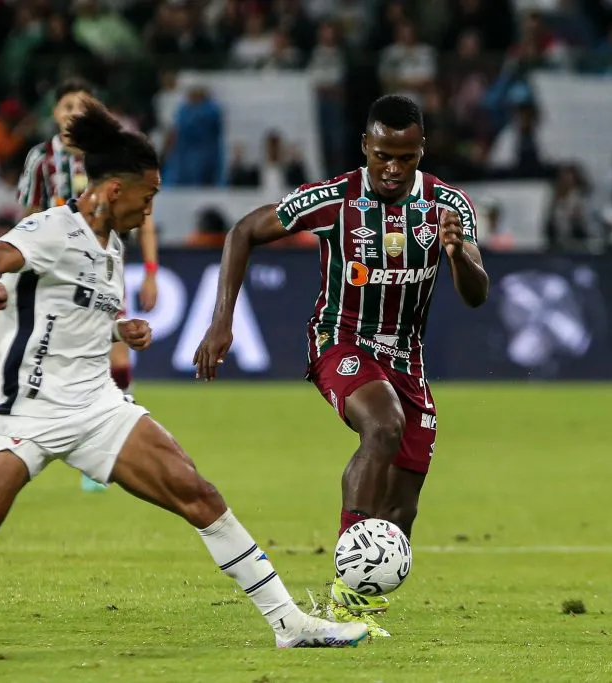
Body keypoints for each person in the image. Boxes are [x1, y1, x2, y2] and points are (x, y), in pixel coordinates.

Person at [0, 103, 370, 650]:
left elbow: (70, 314)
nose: (150, 210)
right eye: (148, 197)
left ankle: (287, 622)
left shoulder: (110, 246)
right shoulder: (51, 230)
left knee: (199, 494)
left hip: (97, 408)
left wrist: (119, 329)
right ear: (115, 190)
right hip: (29, 413)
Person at [193, 94, 489, 637]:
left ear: (422, 149)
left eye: (405, 156)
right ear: (365, 147)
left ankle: (359, 606)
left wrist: (457, 256)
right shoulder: (335, 198)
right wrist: (220, 322)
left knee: (401, 509)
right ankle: (344, 583)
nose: (393, 168)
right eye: (382, 155)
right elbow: (243, 231)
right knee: (384, 425)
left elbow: (476, 294)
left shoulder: (449, 206)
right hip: (340, 341)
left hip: (407, 358)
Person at [18, 77, 159, 493]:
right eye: (66, 107)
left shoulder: (110, 160)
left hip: (103, 271)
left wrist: (151, 271)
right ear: (54, 113)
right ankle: (33, 436)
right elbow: (28, 216)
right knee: (50, 355)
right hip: (55, 277)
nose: (73, 115)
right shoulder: (41, 161)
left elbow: (145, 219)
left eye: (82, 107)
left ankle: (108, 443)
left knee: (116, 354)